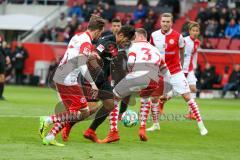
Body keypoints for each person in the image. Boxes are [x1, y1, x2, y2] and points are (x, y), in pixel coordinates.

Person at [39, 15, 105, 146]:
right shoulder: (87, 42)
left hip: (62, 75)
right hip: (68, 79)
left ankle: (50, 136)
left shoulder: (78, 36)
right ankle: (47, 120)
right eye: (100, 32)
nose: (99, 35)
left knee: (73, 112)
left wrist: (90, 54)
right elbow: (81, 64)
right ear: (97, 31)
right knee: (84, 111)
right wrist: (92, 83)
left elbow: (75, 53)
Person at [147, 13, 208, 136]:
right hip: (160, 73)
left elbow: (182, 51)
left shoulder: (178, 36)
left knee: (187, 97)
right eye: (163, 21)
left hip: (175, 72)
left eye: (168, 21)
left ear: (171, 22)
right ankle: (155, 124)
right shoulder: (154, 35)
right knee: (153, 98)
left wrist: (179, 65)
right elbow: (151, 51)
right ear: (160, 22)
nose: (165, 23)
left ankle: (202, 126)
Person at [111, 28, 169, 141]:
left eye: (135, 36)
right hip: (153, 80)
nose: (133, 38)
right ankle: (142, 128)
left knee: (114, 97)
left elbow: (130, 62)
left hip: (138, 76)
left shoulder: (133, 46)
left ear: (141, 37)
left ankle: (113, 132)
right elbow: (166, 71)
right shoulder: (155, 49)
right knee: (146, 99)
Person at [83, 25, 136, 143]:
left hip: (102, 80)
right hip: (90, 79)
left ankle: (92, 131)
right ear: (121, 35)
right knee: (86, 111)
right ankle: (61, 125)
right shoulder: (107, 40)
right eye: (126, 40)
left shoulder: (118, 47)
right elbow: (94, 54)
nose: (126, 43)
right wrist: (98, 69)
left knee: (110, 104)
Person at [182, 21, 201, 119]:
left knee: (193, 89)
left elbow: (194, 55)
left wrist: (194, 66)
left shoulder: (197, 42)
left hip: (189, 69)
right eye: (193, 30)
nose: (195, 32)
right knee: (169, 93)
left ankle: (191, 113)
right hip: (179, 69)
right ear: (189, 31)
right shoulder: (183, 41)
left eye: (197, 31)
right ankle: (160, 106)